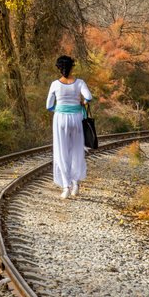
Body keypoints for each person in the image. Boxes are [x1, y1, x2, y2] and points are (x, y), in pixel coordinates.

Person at [45, 55, 93, 199]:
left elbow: (48, 106)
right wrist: (81, 103)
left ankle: (66, 187)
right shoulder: (79, 83)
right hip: (77, 119)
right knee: (76, 150)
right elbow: (89, 97)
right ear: (72, 67)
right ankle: (76, 184)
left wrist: (60, 110)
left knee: (61, 152)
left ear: (59, 68)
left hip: (60, 119)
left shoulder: (55, 84)